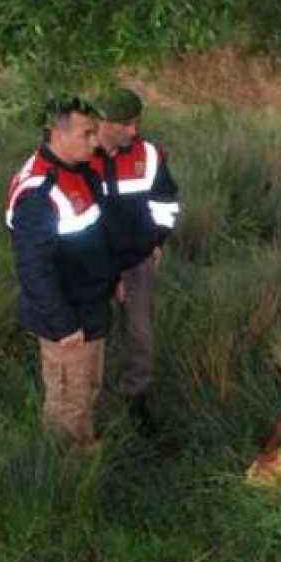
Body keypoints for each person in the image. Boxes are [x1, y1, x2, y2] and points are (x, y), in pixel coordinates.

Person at [5, 95, 118, 455]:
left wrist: (112, 280)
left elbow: (92, 237)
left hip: (91, 305)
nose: (95, 142)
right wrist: (64, 324)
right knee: (68, 403)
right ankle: (68, 485)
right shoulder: (38, 192)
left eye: (95, 133)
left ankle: (86, 455)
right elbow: (33, 268)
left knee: (87, 391)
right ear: (57, 133)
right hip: (67, 320)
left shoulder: (79, 169)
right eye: (86, 134)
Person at [90, 88, 181, 435]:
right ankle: (88, 405)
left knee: (140, 334)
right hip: (92, 267)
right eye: (125, 124)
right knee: (90, 335)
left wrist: (156, 241)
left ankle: (136, 400)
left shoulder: (150, 154)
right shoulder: (80, 155)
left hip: (136, 262)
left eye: (137, 123)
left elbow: (167, 202)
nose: (134, 131)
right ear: (102, 123)